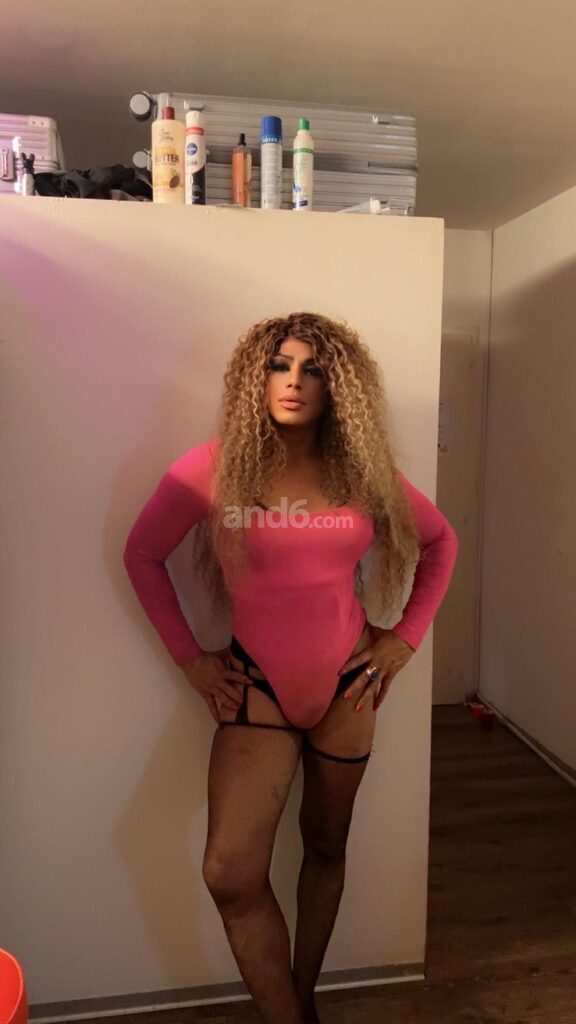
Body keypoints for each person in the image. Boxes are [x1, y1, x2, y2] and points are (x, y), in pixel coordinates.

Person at [123, 311, 458, 1024]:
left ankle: (301, 1001)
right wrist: (191, 660)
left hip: (348, 687)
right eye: (280, 365)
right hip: (257, 688)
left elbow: (442, 542)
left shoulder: (362, 474)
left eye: (313, 369)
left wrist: (405, 638)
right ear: (257, 376)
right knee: (230, 872)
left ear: (339, 387)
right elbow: (142, 554)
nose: (294, 381)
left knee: (326, 848)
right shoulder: (211, 468)